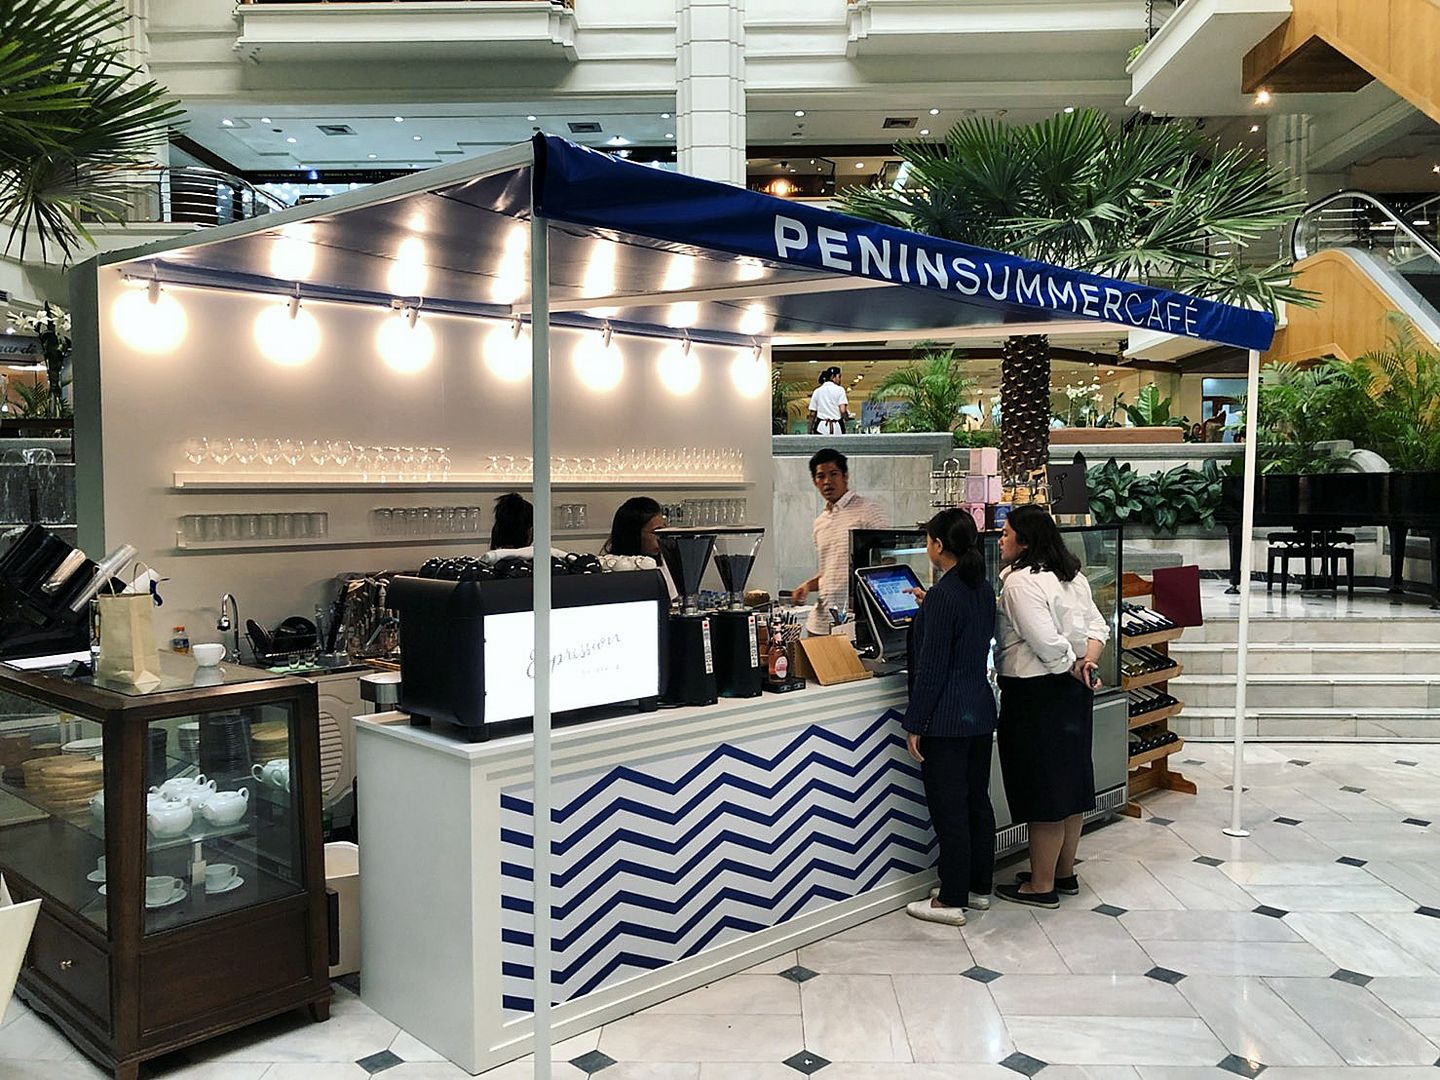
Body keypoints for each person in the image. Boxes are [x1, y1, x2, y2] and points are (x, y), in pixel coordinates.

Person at [992, 504, 1109, 910]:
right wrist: (1087, 663)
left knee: (1043, 790)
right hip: (1073, 691)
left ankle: (1040, 886)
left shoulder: (1020, 583)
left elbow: (1046, 644)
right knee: (1070, 787)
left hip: (1037, 696)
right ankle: (1063, 872)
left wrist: (1071, 666)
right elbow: (1098, 627)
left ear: (1025, 542)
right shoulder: (1072, 576)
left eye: (1006, 533)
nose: (1000, 540)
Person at [900, 508, 998, 927]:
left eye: (929, 540)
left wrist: (915, 723)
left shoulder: (944, 594)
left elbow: (932, 668)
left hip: (945, 718)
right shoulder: (980, 588)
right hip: (978, 710)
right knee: (976, 801)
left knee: (949, 809)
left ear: (939, 545)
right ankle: (978, 887)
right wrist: (931, 608)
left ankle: (950, 898)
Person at [791, 448, 888, 635]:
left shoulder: (868, 510)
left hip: (855, 621)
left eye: (833, 474)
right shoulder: (820, 522)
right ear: (815, 482)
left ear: (845, 476)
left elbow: (888, 559)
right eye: (821, 476)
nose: (827, 481)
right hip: (820, 622)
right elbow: (829, 572)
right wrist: (807, 586)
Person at [602, 496, 678, 599]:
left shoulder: (668, 562)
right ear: (633, 535)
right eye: (656, 531)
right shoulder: (611, 571)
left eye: (664, 529)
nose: (663, 536)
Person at [807, 367, 850, 435]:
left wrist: (809, 430)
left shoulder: (817, 391)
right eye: (839, 377)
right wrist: (847, 418)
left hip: (821, 426)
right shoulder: (840, 390)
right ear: (833, 377)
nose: (840, 380)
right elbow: (842, 410)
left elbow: (812, 414)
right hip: (837, 427)